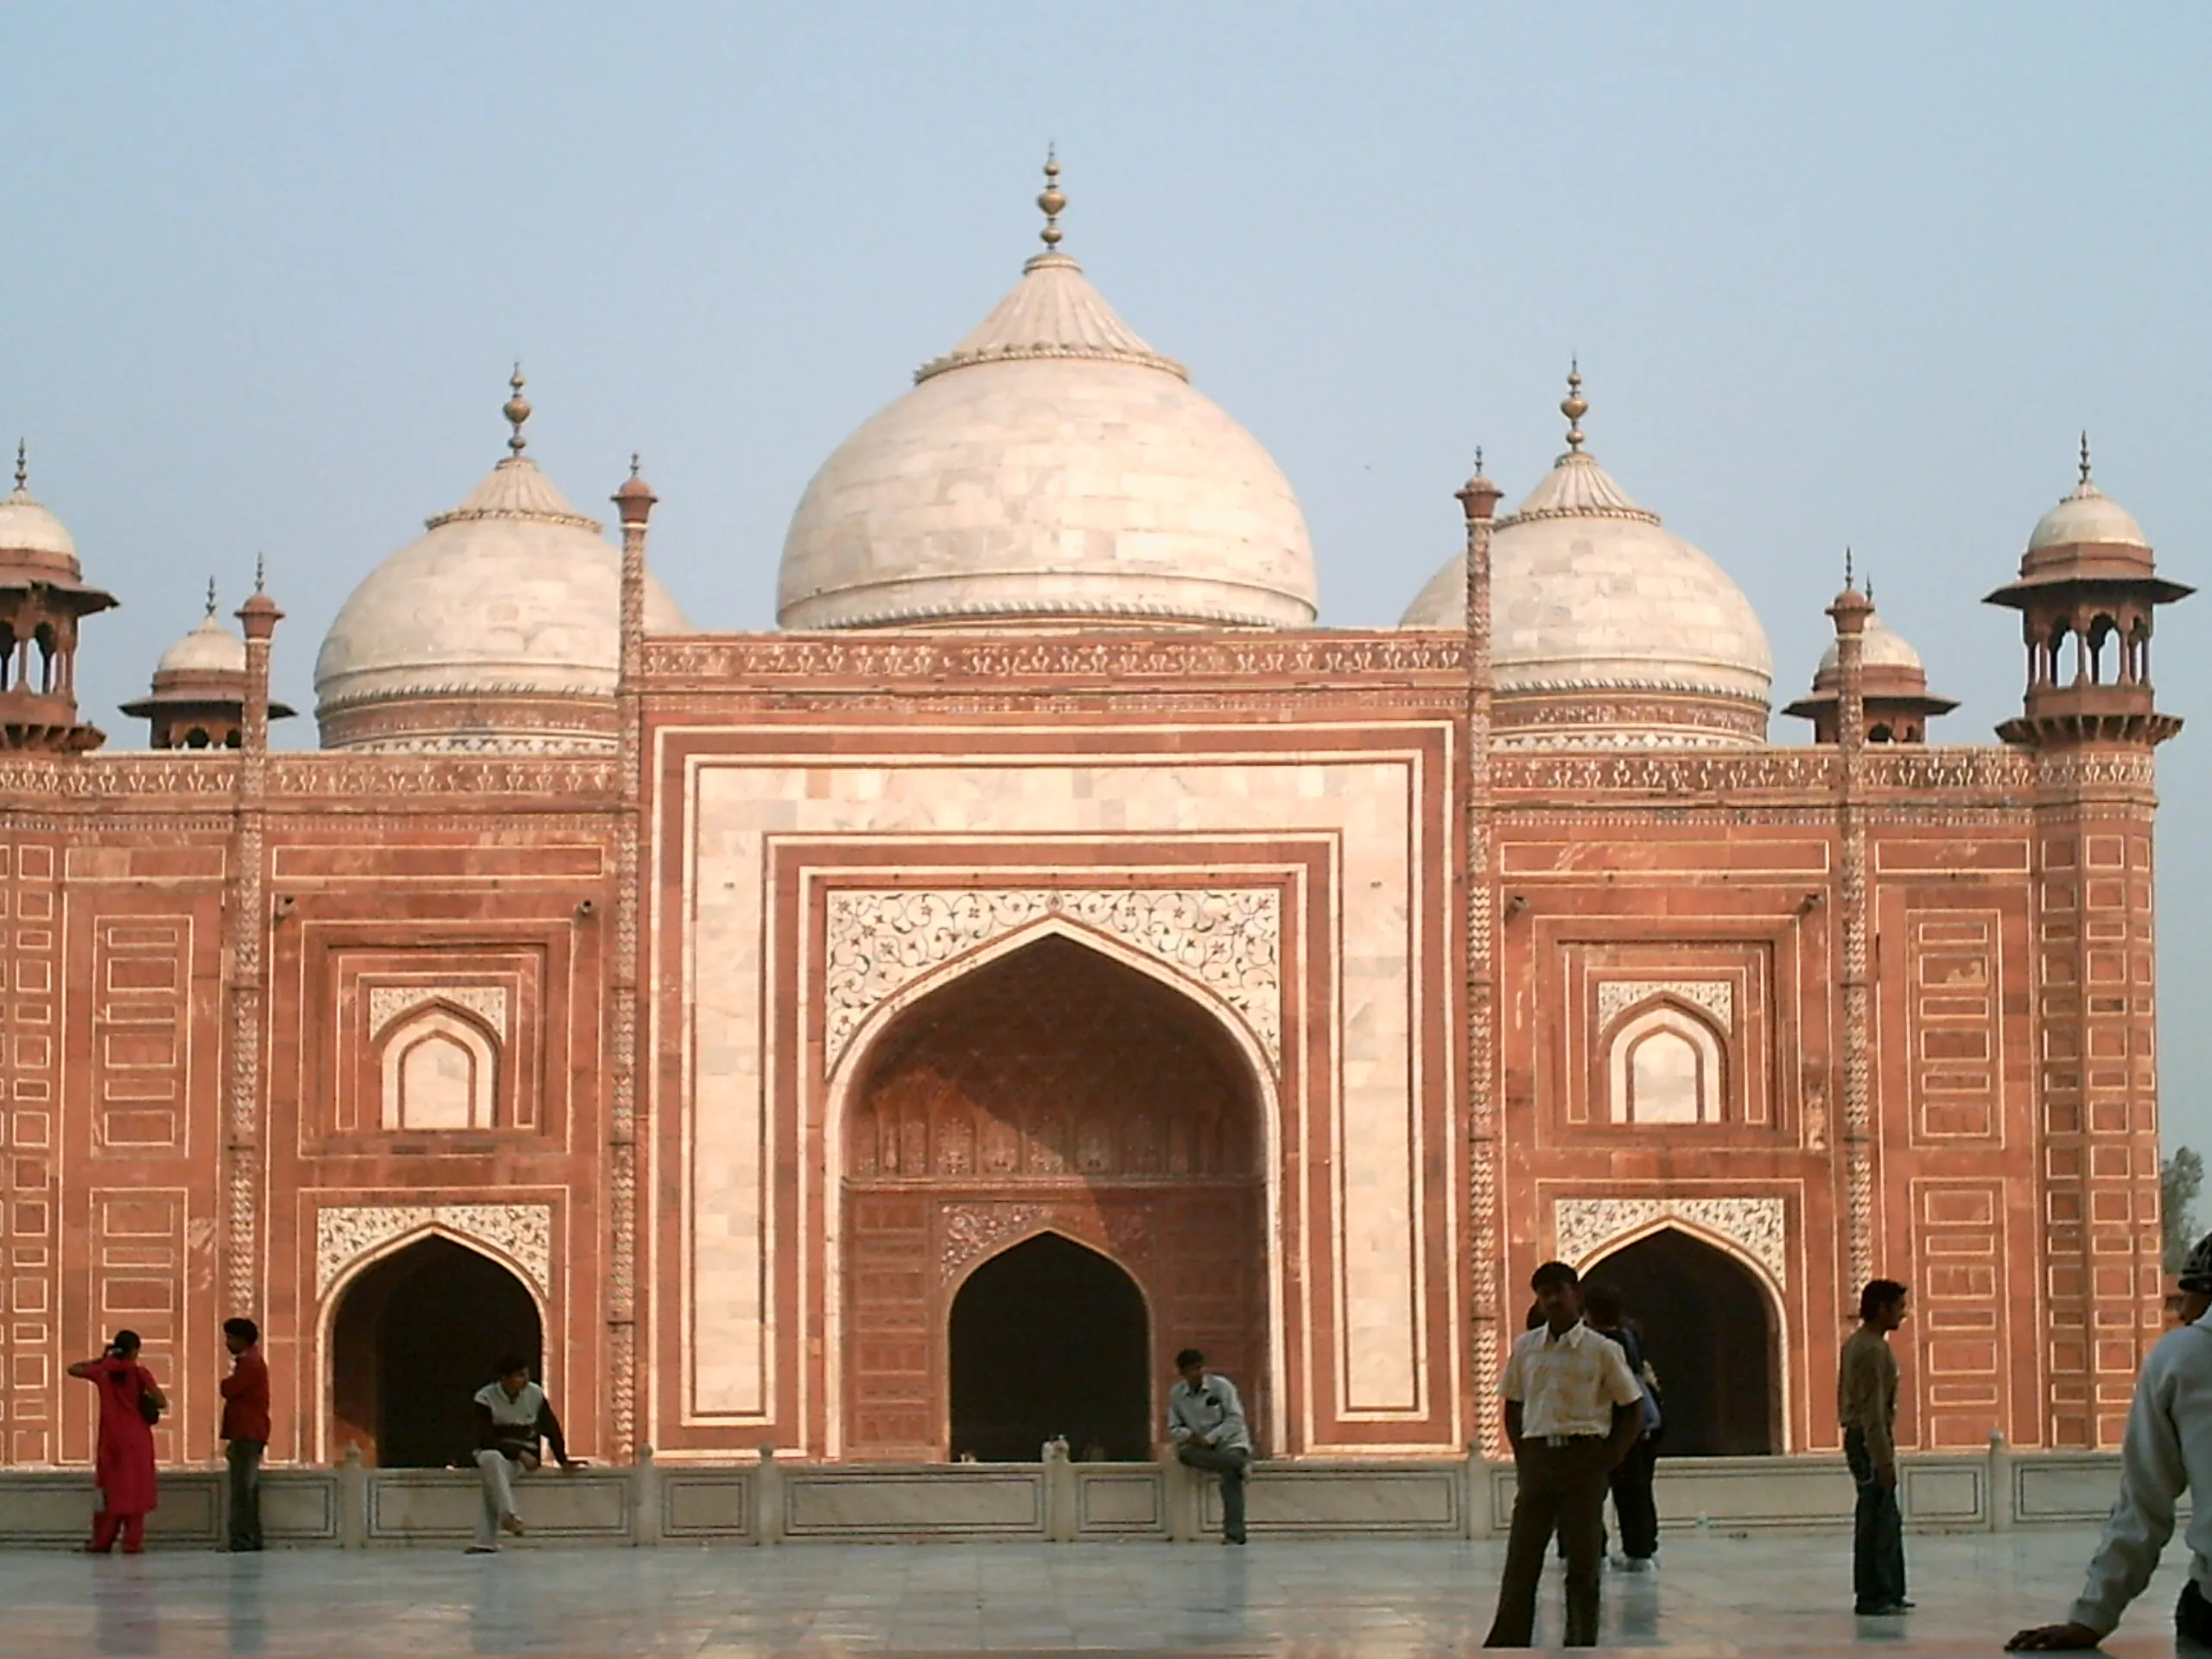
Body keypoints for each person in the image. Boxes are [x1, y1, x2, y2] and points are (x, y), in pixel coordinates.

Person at [2006, 1233, 2212, 1650]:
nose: (2182, 1312)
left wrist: (2093, 1616)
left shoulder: (2183, 1357)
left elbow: (2144, 1504)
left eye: (2187, 1296)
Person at [1484, 1261, 1644, 1649]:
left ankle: (1580, 1640)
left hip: (1583, 1458)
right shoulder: (1525, 1348)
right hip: (1540, 1457)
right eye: (1544, 1293)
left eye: (1558, 1291)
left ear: (1576, 1293)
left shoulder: (1602, 1350)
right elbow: (1513, 1404)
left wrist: (1609, 1458)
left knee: (1583, 1559)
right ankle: (1509, 1639)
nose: (1552, 1300)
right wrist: (1524, 1453)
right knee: (1522, 1558)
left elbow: (1632, 1408)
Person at [1839, 1278, 1912, 1617]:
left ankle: (1889, 1591)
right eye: (1898, 1307)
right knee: (1875, 1519)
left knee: (1884, 1516)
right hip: (1869, 1439)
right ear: (1881, 1308)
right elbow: (1872, 1410)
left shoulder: (1858, 1343)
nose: (1903, 1314)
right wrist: (1883, 1459)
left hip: (1862, 1436)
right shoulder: (1872, 1349)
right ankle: (1873, 1594)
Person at [1582, 1281, 1662, 1571]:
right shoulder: (1630, 1336)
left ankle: (1593, 1550)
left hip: (1600, 1425)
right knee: (1636, 1492)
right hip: (1638, 1426)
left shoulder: (1590, 1343)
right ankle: (1641, 1552)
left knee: (1587, 1493)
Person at [466, 1356, 579, 1554]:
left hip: (522, 1459)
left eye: (525, 1375)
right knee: (491, 1460)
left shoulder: (534, 1394)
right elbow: (485, 1439)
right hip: (497, 1454)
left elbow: (550, 1428)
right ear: (504, 1379)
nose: (525, 1380)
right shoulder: (485, 1398)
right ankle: (509, 1516)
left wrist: (563, 1459)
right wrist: (518, 1453)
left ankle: (486, 1541)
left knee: (493, 1479)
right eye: (519, 1376)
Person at [67, 1329, 167, 1554]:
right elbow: (161, 1402)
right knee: (136, 1489)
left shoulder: (103, 1372)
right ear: (134, 1350)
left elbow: (73, 1369)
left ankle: (102, 1541)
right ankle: (132, 1542)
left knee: (110, 1489)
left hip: (111, 1438)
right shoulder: (140, 1373)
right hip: (137, 1438)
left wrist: (102, 1359)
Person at [1167, 1348, 1253, 1546]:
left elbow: (1235, 1419)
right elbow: (1173, 1427)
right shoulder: (1177, 1394)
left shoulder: (1222, 1387)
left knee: (1229, 1479)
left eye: (1198, 1369)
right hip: (1199, 1446)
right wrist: (1190, 1436)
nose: (1195, 1374)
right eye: (1190, 1370)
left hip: (1230, 1441)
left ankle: (1234, 1534)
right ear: (1182, 1373)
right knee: (1185, 1455)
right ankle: (1239, 1464)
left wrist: (1211, 1438)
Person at [219, 1317, 270, 1552]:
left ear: (242, 1339)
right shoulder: (251, 1361)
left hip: (248, 1431)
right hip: (248, 1431)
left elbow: (230, 1389)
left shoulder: (249, 1363)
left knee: (243, 1491)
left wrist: (225, 1383)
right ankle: (249, 1538)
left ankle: (243, 1540)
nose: (227, 1342)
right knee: (246, 1490)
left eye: (230, 1337)